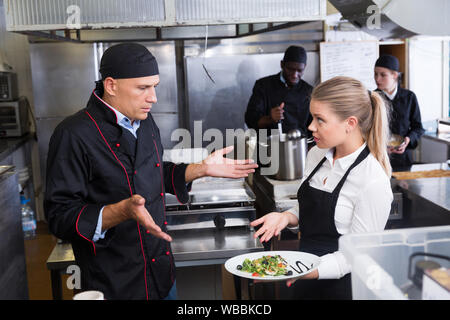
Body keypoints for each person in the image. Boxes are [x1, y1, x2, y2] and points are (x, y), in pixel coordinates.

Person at [44, 43, 258, 300]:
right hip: (113, 282)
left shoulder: (145, 122)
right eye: (143, 88)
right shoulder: (74, 134)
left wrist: (200, 169)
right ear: (111, 85)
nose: (153, 98)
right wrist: (121, 211)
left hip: (161, 274)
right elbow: (59, 216)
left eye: (154, 86)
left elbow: (153, 171)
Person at [250, 76, 393, 300]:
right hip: (305, 280)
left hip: (345, 290)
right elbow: (310, 206)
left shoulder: (372, 180)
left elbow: (356, 256)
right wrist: (286, 217)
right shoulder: (316, 154)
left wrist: (299, 269)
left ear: (350, 124)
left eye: (320, 120)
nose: (310, 127)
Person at [244, 45, 313, 137]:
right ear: (282, 64)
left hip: (299, 147)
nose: (295, 75)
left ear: (305, 67)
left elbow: (312, 127)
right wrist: (270, 118)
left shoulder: (308, 91)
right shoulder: (263, 86)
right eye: (290, 69)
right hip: (268, 147)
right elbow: (250, 120)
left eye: (299, 71)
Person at [374, 54, 425, 170]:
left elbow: (418, 128)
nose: (377, 79)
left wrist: (408, 140)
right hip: (378, 158)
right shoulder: (372, 98)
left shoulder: (409, 97)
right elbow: (366, 130)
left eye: (383, 75)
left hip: (403, 159)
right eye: (375, 74)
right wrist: (379, 148)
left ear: (395, 75)